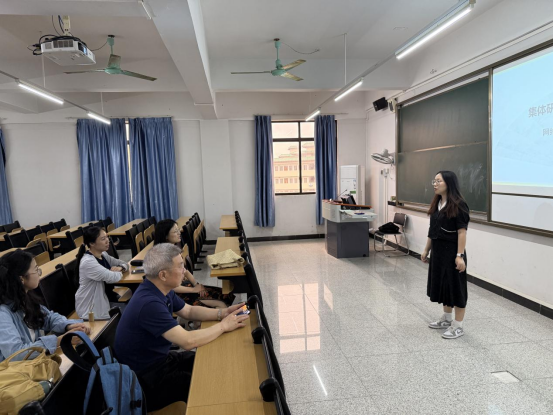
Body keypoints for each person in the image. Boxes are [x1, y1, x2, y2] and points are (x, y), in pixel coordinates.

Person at [114, 243, 248, 411]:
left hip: (160, 360)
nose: (184, 271)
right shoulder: (149, 303)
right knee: (205, 384)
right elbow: (188, 341)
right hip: (146, 379)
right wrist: (223, 326)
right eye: (180, 266)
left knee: (206, 364)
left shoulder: (160, 289)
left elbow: (188, 310)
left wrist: (222, 313)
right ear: (163, 275)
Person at [0, 250, 90, 361]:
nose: (39, 273)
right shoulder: (3, 313)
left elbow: (48, 318)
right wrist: (60, 340)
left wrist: (68, 326)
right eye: (36, 270)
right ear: (21, 279)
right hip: (16, 370)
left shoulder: (25, 297)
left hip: (34, 364)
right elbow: (16, 354)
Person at [421, 171, 470, 339]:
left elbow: (462, 232)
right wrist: (426, 250)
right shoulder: (437, 203)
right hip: (438, 252)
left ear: (449, 183)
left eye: (438, 181)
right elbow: (432, 230)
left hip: (452, 253)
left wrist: (459, 256)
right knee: (443, 286)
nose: (435, 184)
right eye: (434, 181)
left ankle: (458, 326)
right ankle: (447, 319)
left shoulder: (459, 205)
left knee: (456, 288)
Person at [154, 219, 235, 308]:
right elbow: (171, 287)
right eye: (175, 231)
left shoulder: (174, 250)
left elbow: (185, 271)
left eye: (178, 229)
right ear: (166, 236)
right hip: (175, 296)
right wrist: (193, 290)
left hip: (185, 286)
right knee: (221, 303)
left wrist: (197, 284)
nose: (179, 233)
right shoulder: (162, 257)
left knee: (225, 295)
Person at [74, 226, 129, 320]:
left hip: (106, 299)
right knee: (134, 312)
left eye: (107, 237)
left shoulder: (103, 255)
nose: (108, 241)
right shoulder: (88, 262)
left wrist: (121, 267)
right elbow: (112, 277)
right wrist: (116, 271)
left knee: (136, 306)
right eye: (103, 239)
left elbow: (125, 264)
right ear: (92, 243)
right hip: (93, 309)